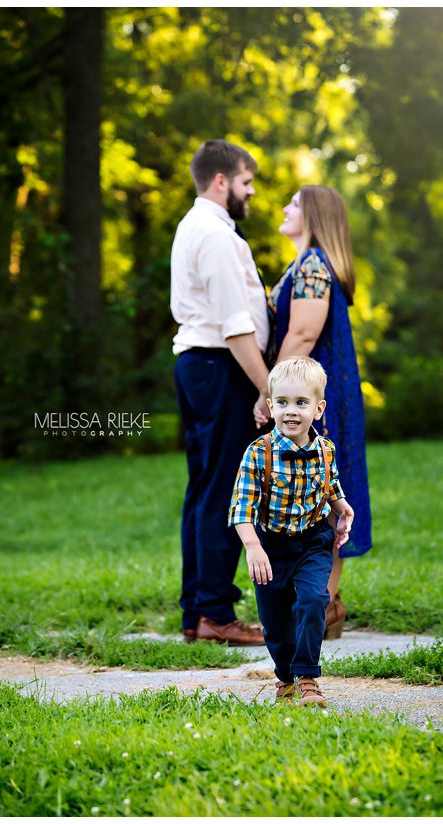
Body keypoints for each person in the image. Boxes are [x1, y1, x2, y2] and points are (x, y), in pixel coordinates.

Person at [171, 139, 271, 646]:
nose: (249, 192)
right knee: (225, 493)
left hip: (201, 365)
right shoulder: (212, 233)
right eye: (246, 182)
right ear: (221, 181)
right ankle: (214, 614)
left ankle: (198, 613)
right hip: (218, 366)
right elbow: (235, 326)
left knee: (205, 489)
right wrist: (267, 388)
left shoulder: (198, 227)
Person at [270, 185, 373, 638]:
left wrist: (272, 392)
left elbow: (303, 336)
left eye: (294, 203)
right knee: (318, 489)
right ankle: (327, 603)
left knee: (319, 492)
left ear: (312, 214)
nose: (285, 208)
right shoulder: (307, 262)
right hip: (319, 391)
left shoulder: (312, 264)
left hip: (311, 393)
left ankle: (325, 602)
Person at [229, 357, 355, 706]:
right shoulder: (259, 453)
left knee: (314, 599)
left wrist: (341, 506)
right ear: (270, 406)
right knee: (275, 619)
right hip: (269, 546)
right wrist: (253, 547)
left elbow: (330, 486)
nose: (291, 411)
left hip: (313, 540)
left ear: (318, 408)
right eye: (282, 402)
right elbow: (241, 507)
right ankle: (285, 678)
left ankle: (308, 677)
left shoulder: (325, 449)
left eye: (301, 403)